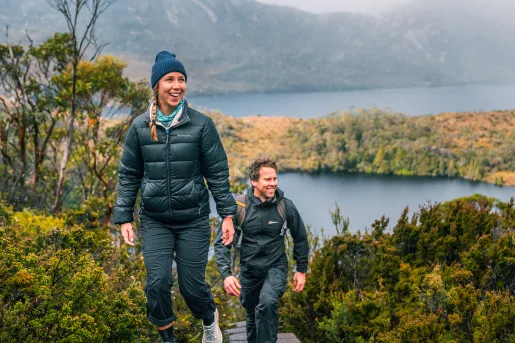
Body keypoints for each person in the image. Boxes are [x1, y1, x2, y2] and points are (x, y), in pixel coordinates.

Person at [114, 51, 236, 343]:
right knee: (157, 284)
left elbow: (217, 174)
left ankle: (209, 321)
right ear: (156, 85)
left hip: (192, 219)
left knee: (192, 287)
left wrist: (227, 215)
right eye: (169, 79)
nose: (177, 85)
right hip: (155, 220)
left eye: (182, 79)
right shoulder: (140, 127)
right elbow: (129, 174)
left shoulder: (201, 125)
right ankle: (168, 340)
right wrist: (124, 217)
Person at [214, 157, 309, 343]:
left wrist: (301, 270)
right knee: (252, 316)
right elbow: (222, 243)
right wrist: (226, 274)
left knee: (266, 303)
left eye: (274, 178)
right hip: (250, 271)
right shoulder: (239, 207)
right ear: (254, 181)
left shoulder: (285, 206)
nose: (273, 183)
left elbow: (300, 237)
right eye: (267, 179)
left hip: (276, 268)